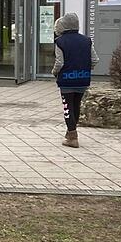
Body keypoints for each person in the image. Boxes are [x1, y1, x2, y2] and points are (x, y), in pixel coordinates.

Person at [52, 12, 98, 148]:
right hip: (83, 78)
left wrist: (54, 72)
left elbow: (60, 62)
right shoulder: (86, 40)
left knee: (67, 107)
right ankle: (70, 131)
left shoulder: (60, 42)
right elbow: (95, 59)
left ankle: (72, 136)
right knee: (76, 106)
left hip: (67, 79)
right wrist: (87, 68)